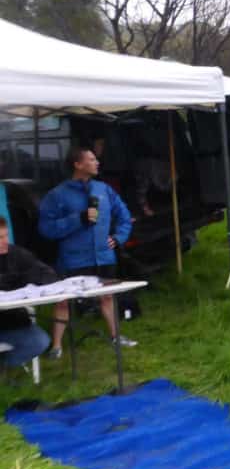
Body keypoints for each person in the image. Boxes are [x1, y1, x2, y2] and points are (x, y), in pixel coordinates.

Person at [37, 147, 137, 357]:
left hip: (103, 256)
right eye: (92, 159)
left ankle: (115, 336)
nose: (97, 162)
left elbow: (125, 216)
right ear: (78, 164)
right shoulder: (57, 195)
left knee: (107, 297)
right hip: (73, 259)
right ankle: (56, 346)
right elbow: (45, 228)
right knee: (63, 300)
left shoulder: (104, 189)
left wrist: (118, 238)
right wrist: (78, 220)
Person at [0, 216, 52, 369]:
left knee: (40, 342)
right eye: (0, 237)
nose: (5, 241)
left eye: (6, 236)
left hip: (14, 323)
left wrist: (28, 280)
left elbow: (47, 273)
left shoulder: (17, 254)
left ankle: (5, 367)